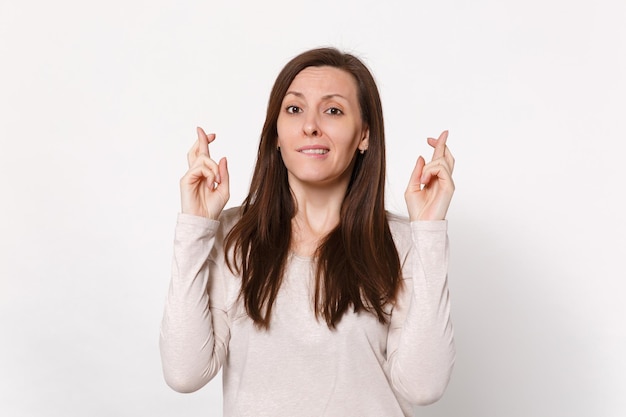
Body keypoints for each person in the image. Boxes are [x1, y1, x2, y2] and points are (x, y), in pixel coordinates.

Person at [160, 47, 456, 417]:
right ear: (277, 134)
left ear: (364, 135)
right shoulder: (232, 236)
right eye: (294, 109)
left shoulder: (401, 243)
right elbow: (184, 372)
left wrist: (428, 231)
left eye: (333, 110)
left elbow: (423, 386)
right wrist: (196, 226)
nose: (310, 125)